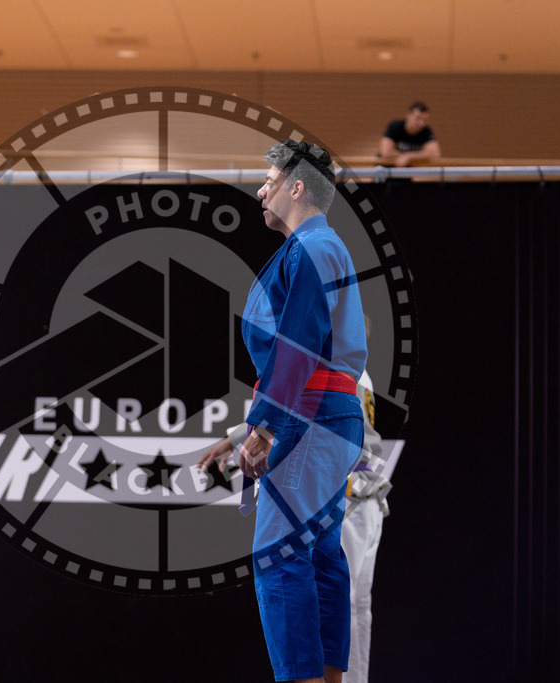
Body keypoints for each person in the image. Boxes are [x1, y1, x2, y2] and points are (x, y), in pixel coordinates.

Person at [198, 139, 367, 683]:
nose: (260, 191)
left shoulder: (313, 247)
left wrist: (266, 427)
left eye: (269, 181)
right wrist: (249, 427)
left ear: (297, 187)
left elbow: (298, 344)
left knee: (281, 555)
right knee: (318, 556)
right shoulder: (319, 247)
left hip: (308, 417)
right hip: (326, 416)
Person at [340, 367, 392, 683]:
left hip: (350, 498)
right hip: (367, 498)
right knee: (358, 607)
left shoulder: (341, 368)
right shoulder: (360, 369)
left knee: (341, 604)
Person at [377, 101, 440, 167]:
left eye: (425, 120)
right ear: (408, 115)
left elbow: (435, 154)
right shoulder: (395, 127)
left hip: (407, 170)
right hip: (386, 169)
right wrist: (405, 156)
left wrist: (409, 156)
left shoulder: (426, 131)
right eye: (418, 118)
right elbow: (385, 152)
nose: (421, 123)